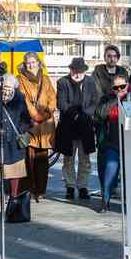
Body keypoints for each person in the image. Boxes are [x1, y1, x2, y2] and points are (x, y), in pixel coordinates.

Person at [55, 57, 101, 200]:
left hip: (85, 125)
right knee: (68, 159)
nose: (77, 73)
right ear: (71, 70)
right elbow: (61, 104)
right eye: (74, 70)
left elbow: (95, 101)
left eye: (80, 71)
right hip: (68, 126)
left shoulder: (90, 82)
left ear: (84, 71)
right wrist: (75, 115)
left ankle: (83, 187)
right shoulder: (63, 82)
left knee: (85, 159)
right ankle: (69, 186)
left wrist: (84, 114)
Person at [93, 75, 131, 212]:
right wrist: (116, 100)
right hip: (112, 141)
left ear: (127, 84)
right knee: (110, 170)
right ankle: (105, 201)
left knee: (129, 175)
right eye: (116, 87)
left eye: (122, 86)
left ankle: (130, 203)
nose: (120, 89)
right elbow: (99, 114)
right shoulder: (108, 98)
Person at [17, 52, 56, 201]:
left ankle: (41, 190)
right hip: (31, 124)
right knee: (29, 159)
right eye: (28, 63)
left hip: (45, 126)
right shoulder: (20, 79)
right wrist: (36, 116)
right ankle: (29, 189)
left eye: (33, 62)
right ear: (25, 64)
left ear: (39, 63)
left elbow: (52, 98)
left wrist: (48, 112)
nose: (31, 65)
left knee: (42, 160)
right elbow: (24, 101)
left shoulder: (45, 79)